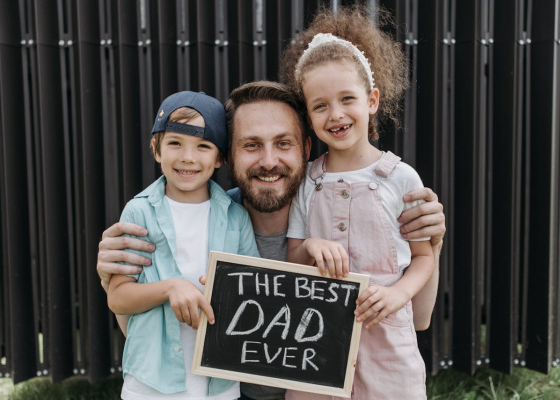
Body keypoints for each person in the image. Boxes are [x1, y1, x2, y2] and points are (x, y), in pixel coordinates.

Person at [97, 82, 446, 400]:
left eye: (283, 143)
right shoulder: (211, 217)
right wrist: (110, 279)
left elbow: (419, 320)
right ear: (228, 156)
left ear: (306, 148)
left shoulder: (342, 217)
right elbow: (143, 331)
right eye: (251, 146)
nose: (268, 161)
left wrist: (431, 247)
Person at [281, 5, 432, 399]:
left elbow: (424, 257)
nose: (336, 114)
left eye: (347, 98)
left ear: (372, 100)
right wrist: (312, 246)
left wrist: (399, 294)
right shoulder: (306, 183)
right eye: (320, 105)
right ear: (308, 116)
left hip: (386, 343)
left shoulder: (401, 178)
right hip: (317, 339)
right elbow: (293, 254)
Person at [107, 91, 259, 399]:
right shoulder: (139, 212)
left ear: (219, 158)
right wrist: (170, 288)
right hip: (152, 382)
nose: (188, 157)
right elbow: (118, 298)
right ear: (157, 149)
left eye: (203, 146)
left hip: (218, 382)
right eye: (175, 143)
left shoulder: (235, 217)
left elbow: (254, 291)